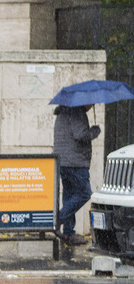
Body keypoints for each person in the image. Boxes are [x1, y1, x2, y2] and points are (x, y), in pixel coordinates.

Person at [54, 103, 101, 246]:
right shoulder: (77, 112)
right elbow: (81, 134)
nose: (91, 106)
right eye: (91, 104)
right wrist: (94, 131)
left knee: (69, 196)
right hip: (76, 162)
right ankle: (58, 220)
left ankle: (69, 234)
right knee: (85, 193)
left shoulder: (63, 112)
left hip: (63, 161)